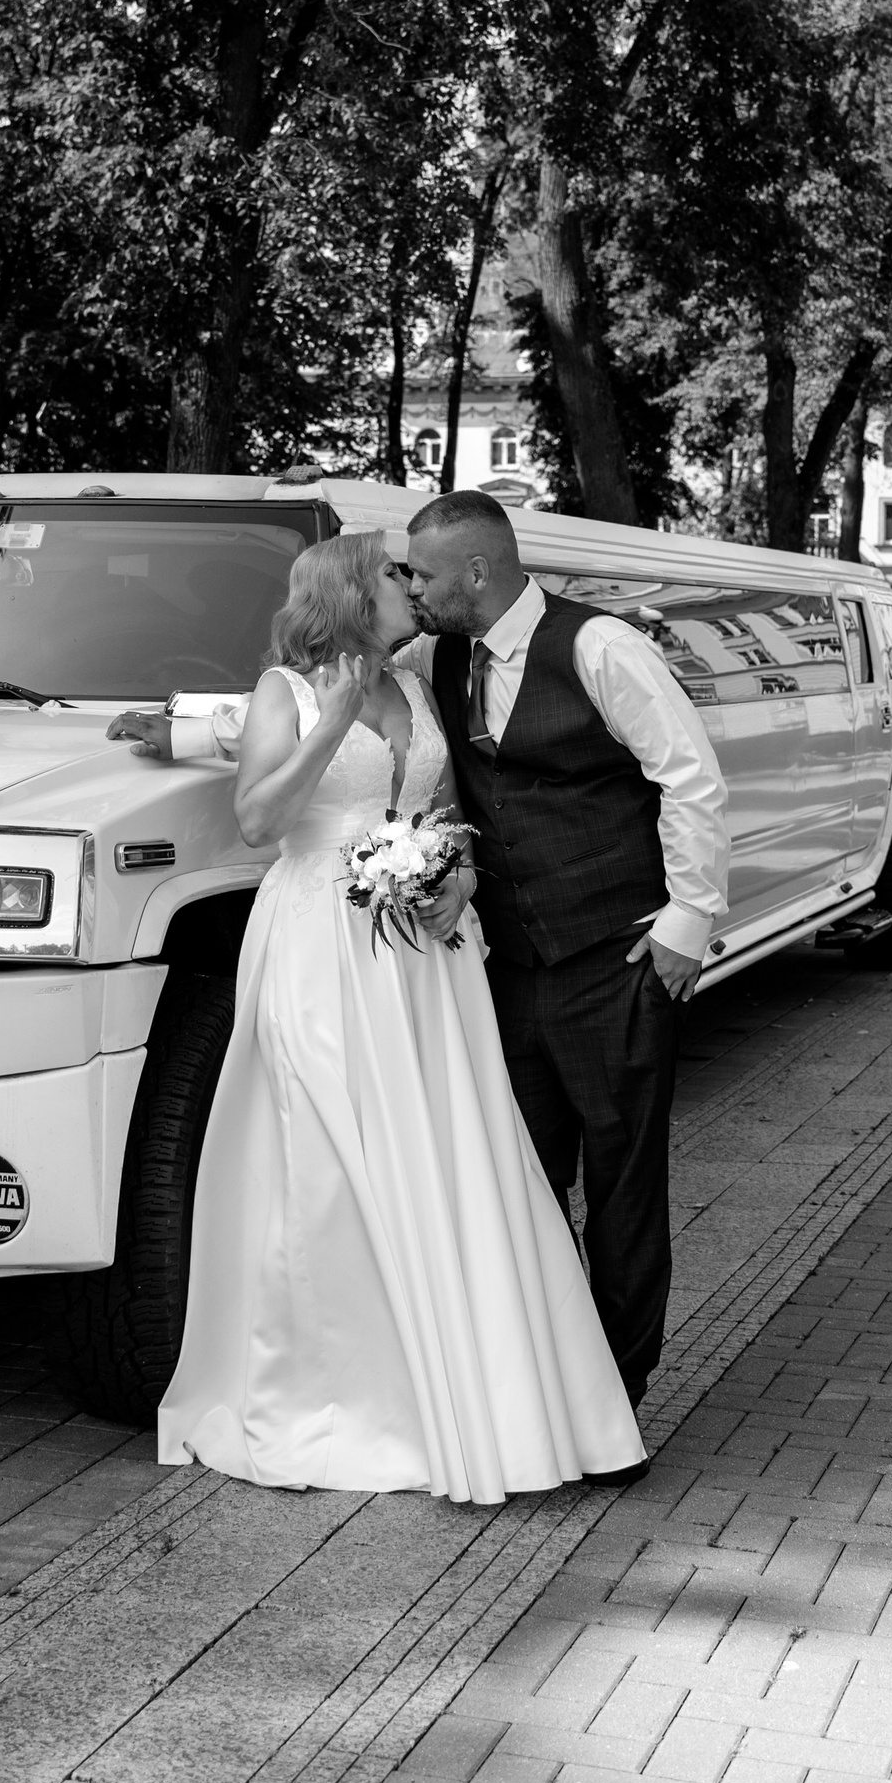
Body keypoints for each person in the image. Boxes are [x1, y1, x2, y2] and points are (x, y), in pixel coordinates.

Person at [112, 494, 728, 1416]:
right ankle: (543, 1375)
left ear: (476, 572)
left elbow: (690, 778)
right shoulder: (432, 658)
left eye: (424, 574)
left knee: (624, 1177)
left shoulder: (600, 648)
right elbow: (305, 703)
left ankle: (618, 1392)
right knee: (514, 1177)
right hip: (499, 967)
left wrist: (688, 921)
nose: (415, 588)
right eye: (401, 575)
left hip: (615, 955)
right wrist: (178, 732)